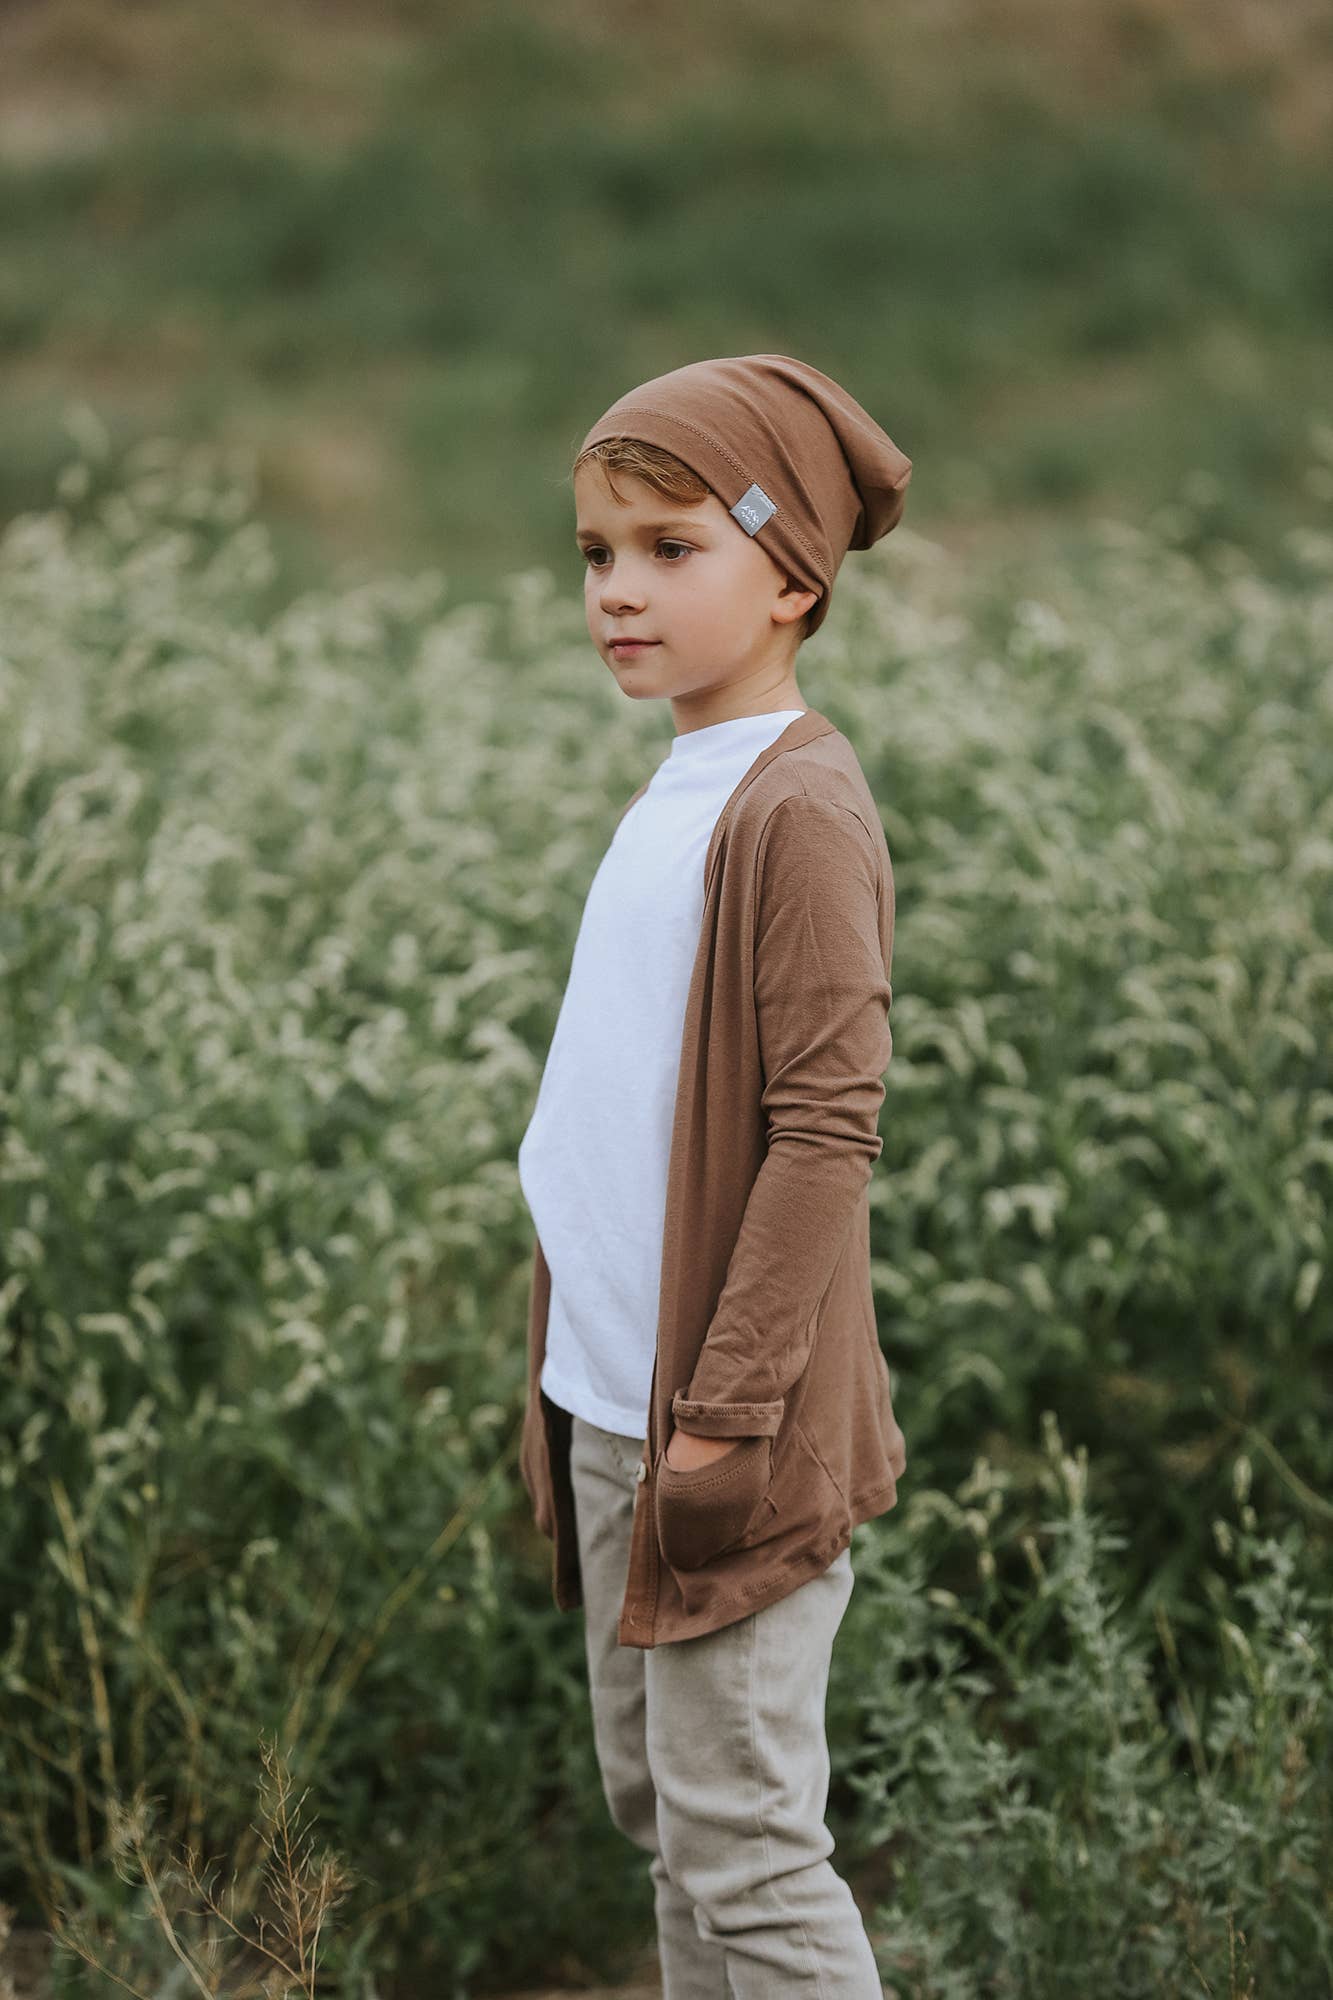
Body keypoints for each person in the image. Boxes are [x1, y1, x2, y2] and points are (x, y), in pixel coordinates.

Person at [517, 354, 913, 1997]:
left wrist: (725, 1414)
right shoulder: (679, 780)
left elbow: (826, 1131)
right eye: (598, 553)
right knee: (669, 1823)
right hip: (617, 1406)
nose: (618, 591)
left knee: (746, 1853)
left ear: (791, 575)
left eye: (671, 549)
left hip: (717, 1430)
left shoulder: (796, 805)